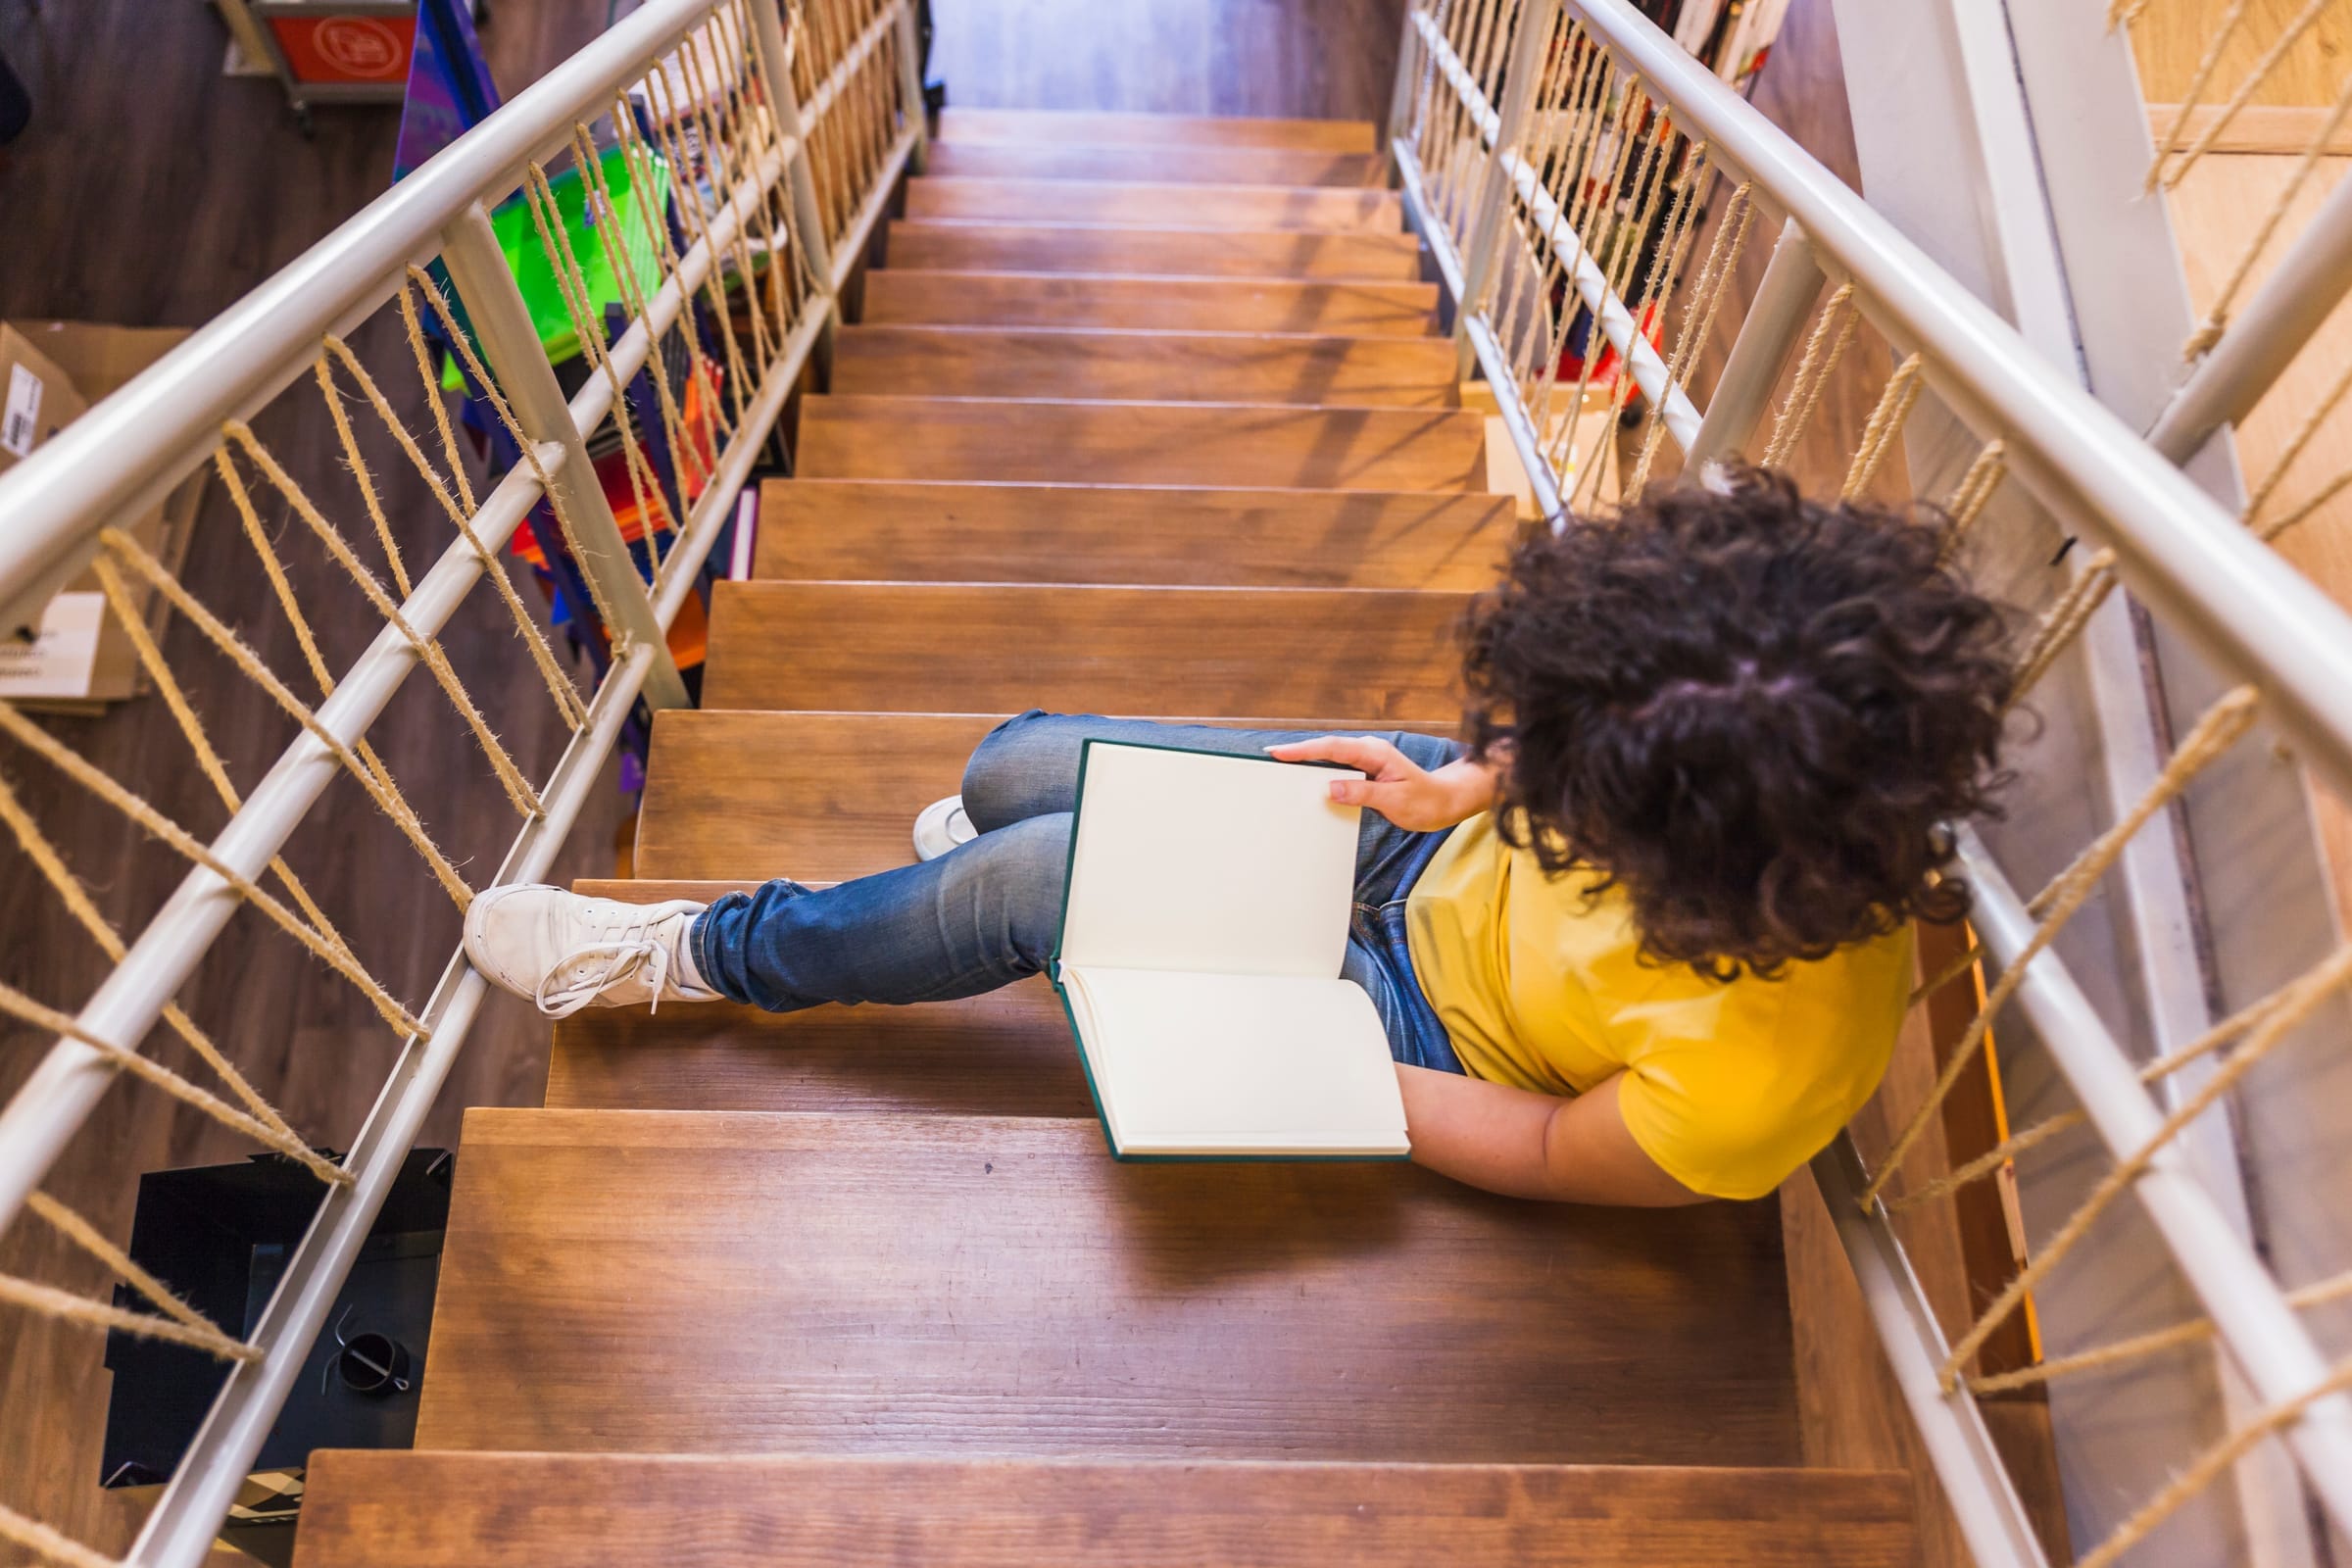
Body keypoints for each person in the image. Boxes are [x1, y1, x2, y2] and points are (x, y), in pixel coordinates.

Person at [466, 470, 2013, 1207]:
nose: (1542, 783)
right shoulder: (1696, 749)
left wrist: (1327, 1062)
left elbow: (1549, 1145)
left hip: (1410, 1028)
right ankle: (1014, 891)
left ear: (1689, 862)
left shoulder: (1770, 1070)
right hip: (1411, 849)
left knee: (1029, 876)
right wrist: (1462, 790)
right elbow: (1554, 763)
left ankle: (704, 953)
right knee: (1011, 769)